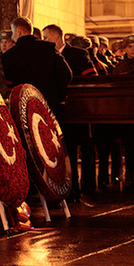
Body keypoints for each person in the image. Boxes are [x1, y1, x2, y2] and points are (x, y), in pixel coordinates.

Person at [42, 25, 97, 198]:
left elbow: (91, 78)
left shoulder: (77, 54)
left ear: (58, 36)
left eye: (46, 37)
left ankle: (88, 185)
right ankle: (71, 186)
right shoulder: (47, 56)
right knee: (68, 149)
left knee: (86, 146)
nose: (44, 41)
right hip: (60, 109)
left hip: (80, 108)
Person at [2, 16, 72, 120]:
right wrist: (56, 94)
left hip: (25, 109)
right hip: (50, 105)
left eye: (13, 33)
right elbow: (66, 74)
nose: (12, 37)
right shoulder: (49, 48)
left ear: (19, 31)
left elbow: (10, 86)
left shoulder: (9, 56)